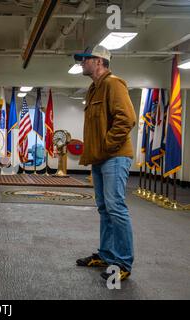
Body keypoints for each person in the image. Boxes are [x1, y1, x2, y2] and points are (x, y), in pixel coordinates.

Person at [74, 45, 136, 282]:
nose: (82, 63)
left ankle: (123, 262)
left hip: (114, 156)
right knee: (104, 208)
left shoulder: (113, 83)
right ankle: (107, 254)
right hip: (100, 158)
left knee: (116, 207)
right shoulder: (93, 88)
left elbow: (126, 119)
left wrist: (107, 146)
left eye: (85, 59)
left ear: (99, 61)